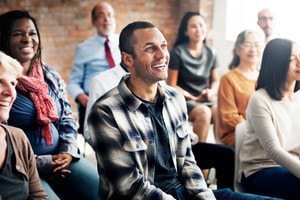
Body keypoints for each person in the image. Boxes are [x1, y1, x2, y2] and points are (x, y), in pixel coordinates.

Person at [88, 21, 280, 200]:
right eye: (150, 48)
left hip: (183, 192)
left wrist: (205, 196)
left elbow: (187, 161)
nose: (162, 55)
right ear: (128, 59)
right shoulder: (105, 112)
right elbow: (128, 187)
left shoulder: (174, 99)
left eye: (163, 46)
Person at [0, 10, 98, 200]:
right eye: (18, 34)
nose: (27, 39)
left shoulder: (49, 75)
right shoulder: (5, 86)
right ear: (3, 37)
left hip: (63, 158)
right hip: (25, 166)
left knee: (103, 190)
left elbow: (67, 117)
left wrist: (67, 152)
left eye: (32, 33)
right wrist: (46, 162)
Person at [239, 38, 300, 199]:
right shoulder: (260, 99)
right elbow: (274, 151)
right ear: (277, 63)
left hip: (292, 165)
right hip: (260, 170)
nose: (299, 62)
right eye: (292, 59)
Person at [68, 2, 121, 134]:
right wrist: (83, 97)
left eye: (110, 15)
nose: (106, 19)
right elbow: (73, 83)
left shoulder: (125, 43)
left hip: (122, 98)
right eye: (101, 16)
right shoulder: (84, 49)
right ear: (94, 21)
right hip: (95, 100)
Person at [0, 51, 47, 199]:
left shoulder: (17, 137)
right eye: (0, 82)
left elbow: (38, 195)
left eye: (13, 83)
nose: (10, 92)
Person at [167, 12, 219, 142]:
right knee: (204, 112)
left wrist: (211, 92)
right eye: (193, 26)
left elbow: (216, 80)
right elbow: (171, 85)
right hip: (185, 100)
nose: (199, 30)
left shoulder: (211, 52)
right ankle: (198, 156)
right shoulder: (176, 53)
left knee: (219, 111)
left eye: (201, 25)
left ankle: (219, 150)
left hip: (205, 99)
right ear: (185, 31)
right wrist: (194, 97)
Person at [217, 30, 264, 146]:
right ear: (238, 49)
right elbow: (229, 117)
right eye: (248, 45)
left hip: (263, 133)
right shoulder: (228, 79)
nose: (253, 49)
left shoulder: (266, 78)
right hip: (238, 134)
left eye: (257, 45)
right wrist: (259, 130)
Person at [83, 62, 128, 144]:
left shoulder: (157, 82)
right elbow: (90, 131)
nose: (159, 56)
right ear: (127, 59)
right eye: (151, 49)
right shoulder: (101, 83)